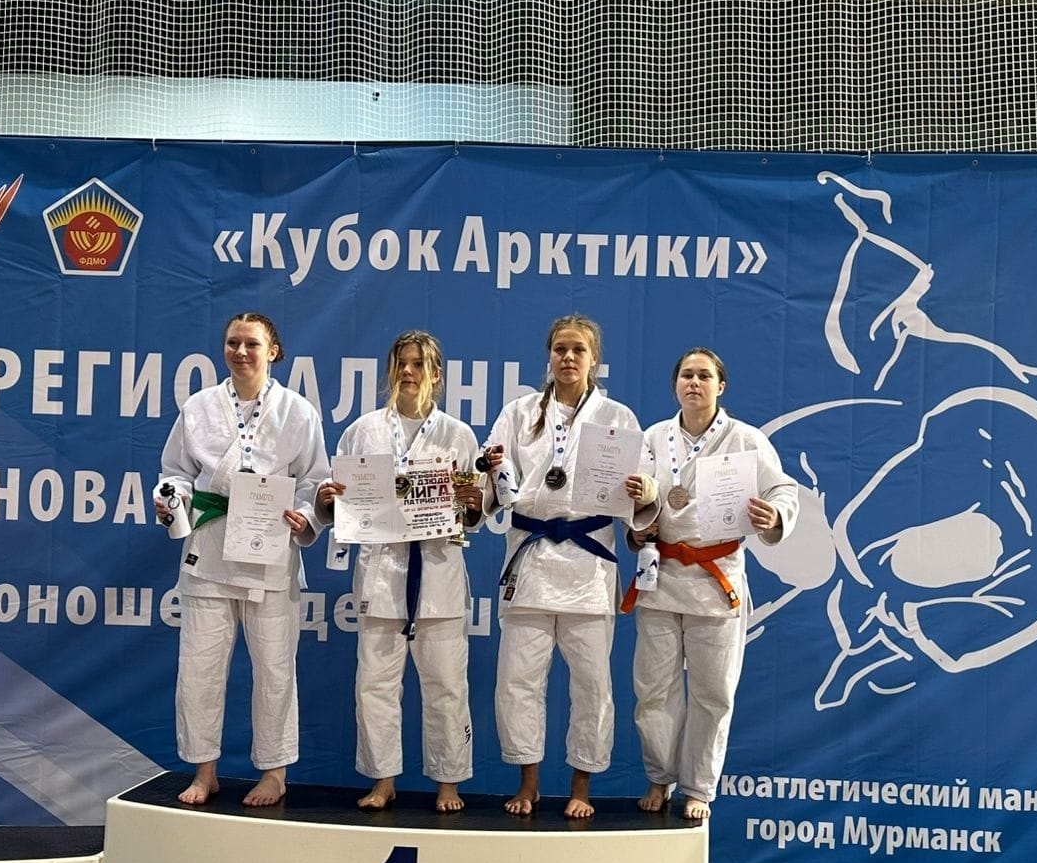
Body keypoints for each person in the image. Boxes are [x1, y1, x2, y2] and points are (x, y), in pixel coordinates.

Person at [482, 314, 655, 818]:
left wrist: (643, 493)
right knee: (518, 680)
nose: (568, 358)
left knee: (592, 684)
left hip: (589, 561)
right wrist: (487, 475)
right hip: (531, 557)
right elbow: (495, 478)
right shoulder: (518, 413)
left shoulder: (618, 418)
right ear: (549, 356)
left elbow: (642, 495)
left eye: (578, 350)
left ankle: (581, 786)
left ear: (594, 359)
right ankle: (529, 783)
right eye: (560, 349)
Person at [154, 313, 329, 808]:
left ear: (273, 351)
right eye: (232, 342)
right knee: (200, 669)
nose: (240, 352)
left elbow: (315, 480)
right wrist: (171, 498)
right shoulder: (199, 407)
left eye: (251, 343)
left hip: (270, 551)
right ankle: (204, 770)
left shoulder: (297, 411)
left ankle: (274, 773)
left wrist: (304, 516)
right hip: (210, 549)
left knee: (275, 671)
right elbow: (175, 471)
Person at [625, 348, 800, 820]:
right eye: (686, 375)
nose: (694, 382)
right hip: (661, 576)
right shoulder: (654, 437)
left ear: (720, 386)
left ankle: (699, 786)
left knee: (713, 692)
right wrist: (637, 522)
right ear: (675, 384)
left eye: (704, 375)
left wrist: (775, 514)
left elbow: (784, 489)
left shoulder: (746, 439)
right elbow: (635, 498)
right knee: (653, 690)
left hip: (716, 579)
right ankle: (659, 777)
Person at [315, 331, 481, 813]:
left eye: (418, 364)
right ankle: (383, 779)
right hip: (382, 574)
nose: (407, 372)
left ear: (436, 375)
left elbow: (474, 514)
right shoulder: (362, 432)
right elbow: (341, 506)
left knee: (447, 686)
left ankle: (448, 782)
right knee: (375, 686)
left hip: (439, 574)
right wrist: (329, 501)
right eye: (400, 364)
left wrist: (473, 503)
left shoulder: (458, 435)